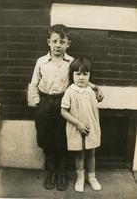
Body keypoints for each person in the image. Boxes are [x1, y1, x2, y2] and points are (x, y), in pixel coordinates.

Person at [30, 24, 103, 191]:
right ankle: (51, 172)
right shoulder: (41, 61)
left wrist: (96, 88)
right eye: (54, 41)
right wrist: (37, 103)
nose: (58, 45)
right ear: (48, 42)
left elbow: (80, 78)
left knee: (61, 138)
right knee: (46, 138)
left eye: (62, 42)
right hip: (45, 102)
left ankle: (61, 173)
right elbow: (34, 83)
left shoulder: (71, 62)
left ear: (67, 44)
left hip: (63, 104)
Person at [61, 56, 102, 193]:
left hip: (91, 127)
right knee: (79, 154)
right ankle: (80, 177)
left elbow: (99, 97)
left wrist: (99, 90)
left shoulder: (91, 91)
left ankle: (92, 177)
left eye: (85, 74)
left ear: (90, 75)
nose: (81, 77)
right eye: (77, 74)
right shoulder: (70, 92)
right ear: (72, 74)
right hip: (76, 127)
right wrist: (77, 123)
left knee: (91, 153)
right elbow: (63, 111)